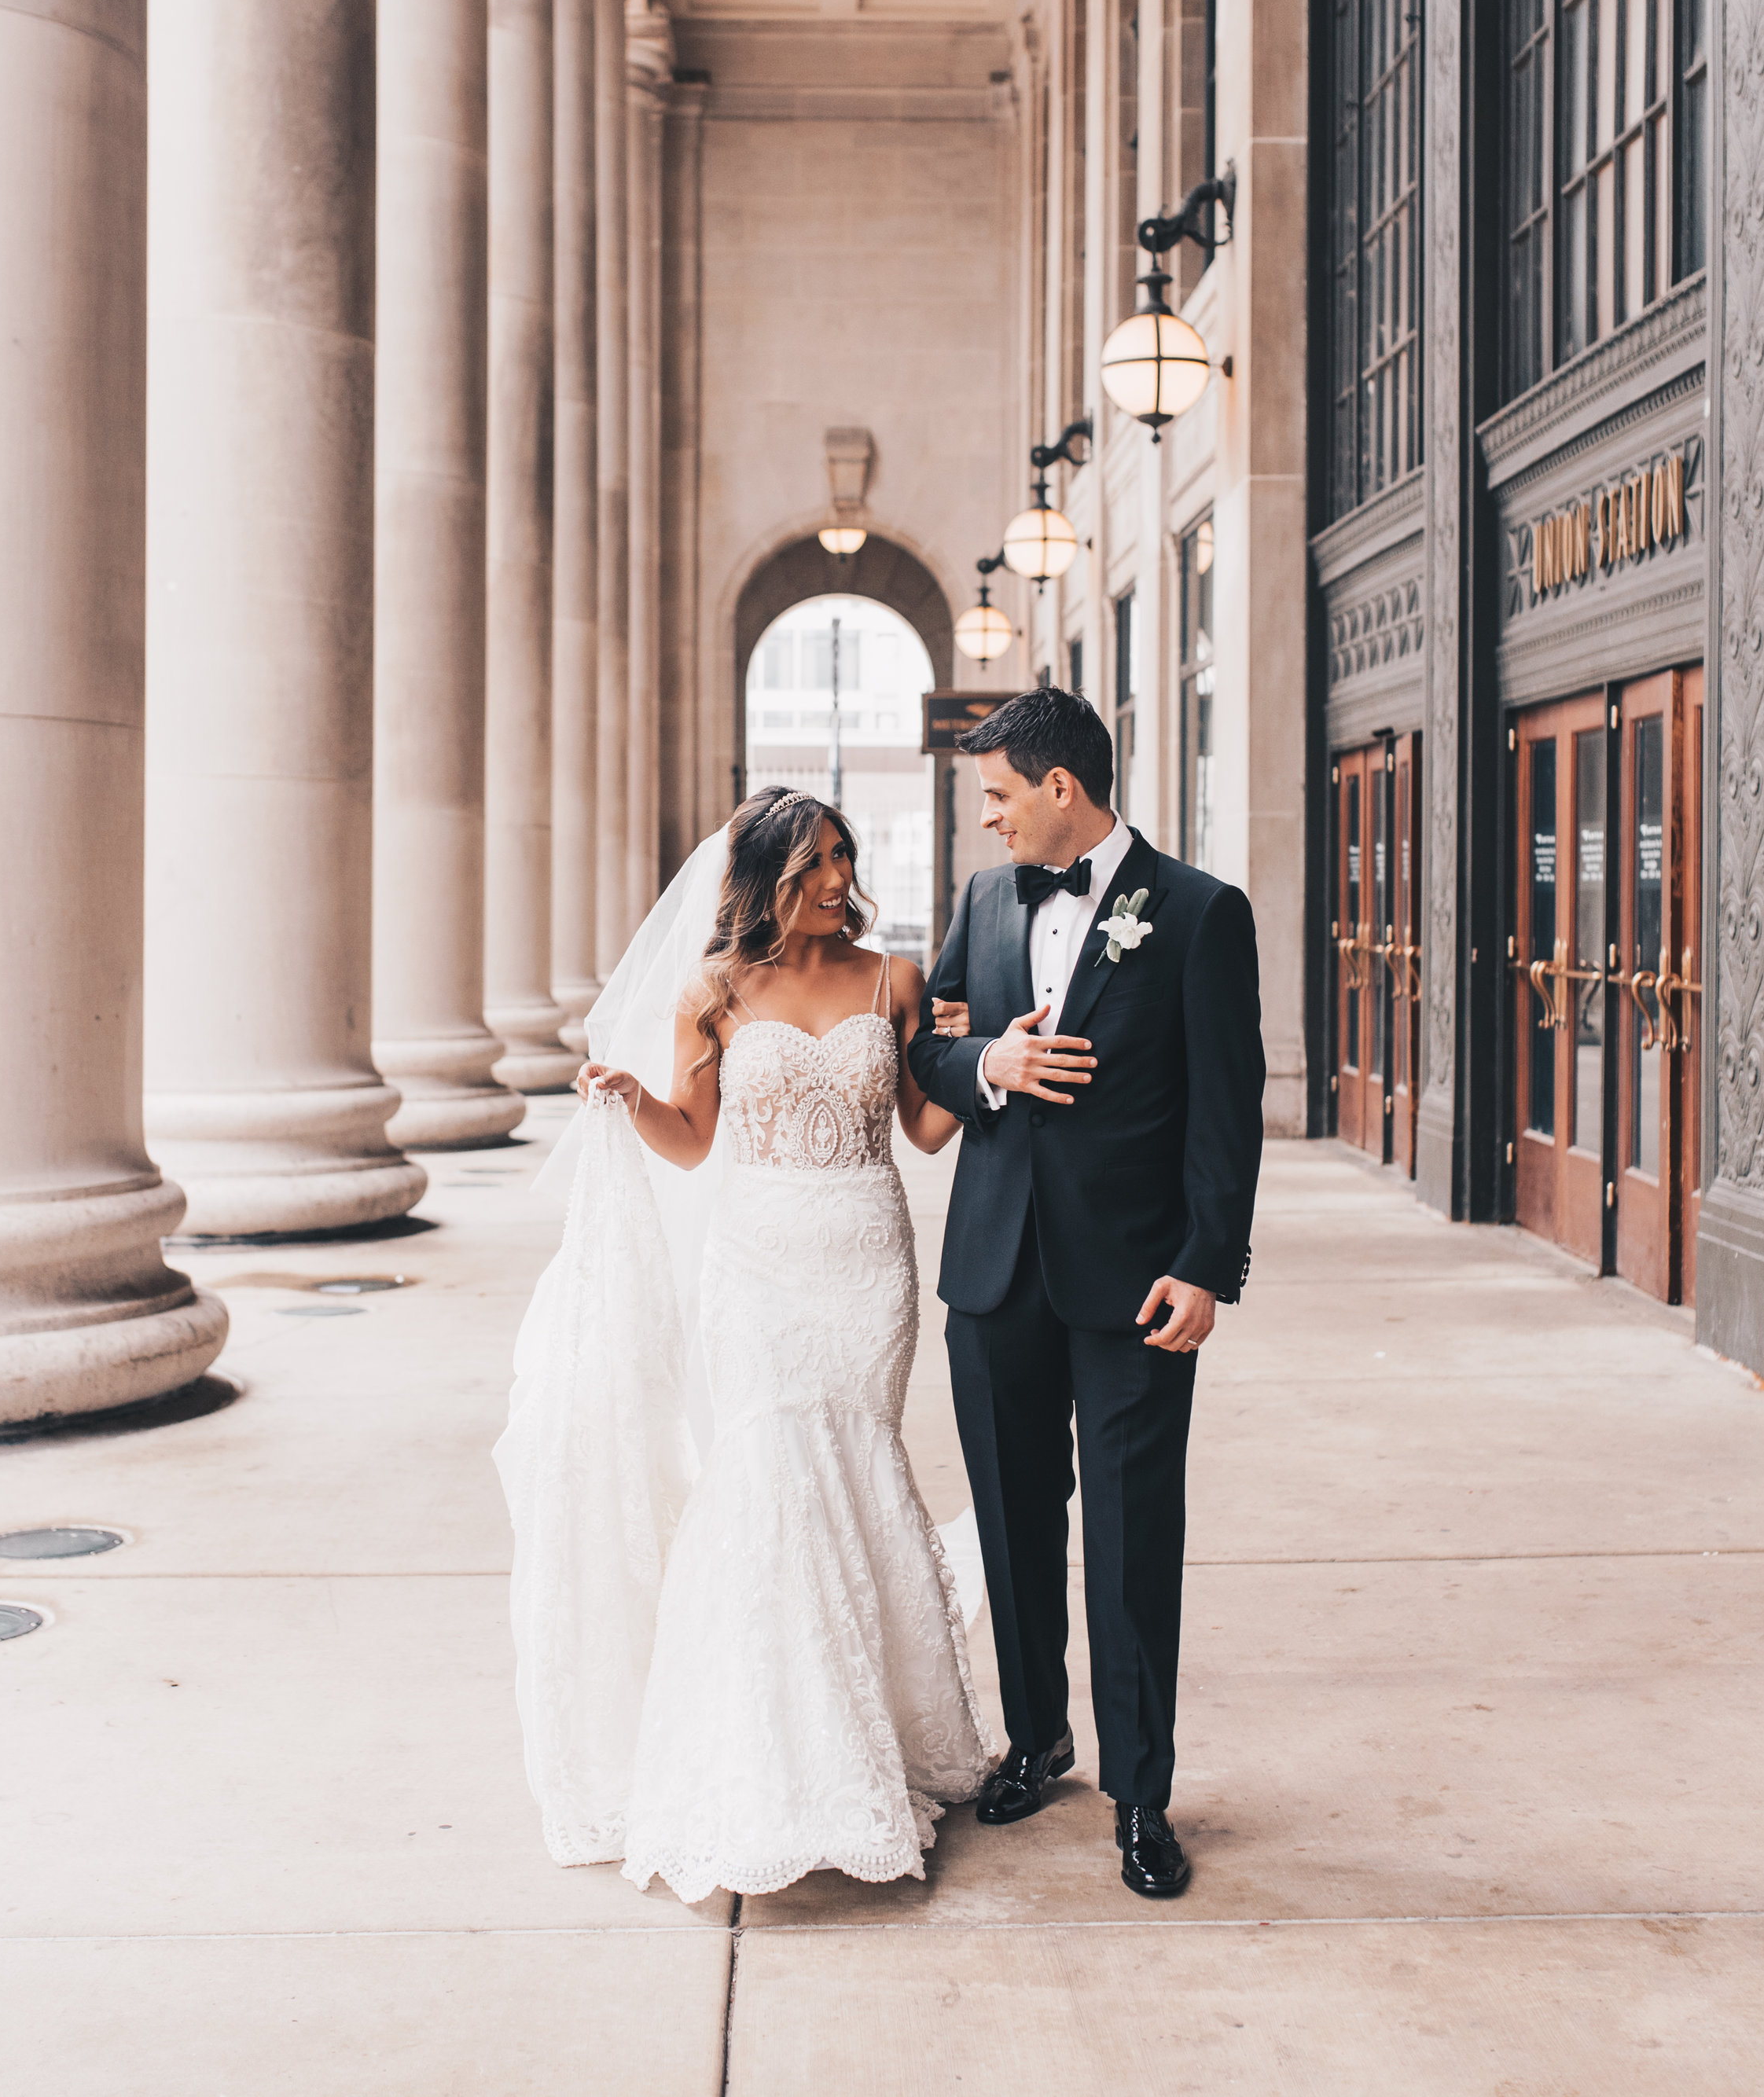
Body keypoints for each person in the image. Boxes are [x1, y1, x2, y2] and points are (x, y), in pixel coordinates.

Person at [505, 784, 990, 1903]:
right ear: (766, 879)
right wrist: (632, 1098)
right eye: (813, 864)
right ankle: (775, 1757)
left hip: (866, 1262)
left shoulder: (894, 979)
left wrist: (970, 1064)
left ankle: (884, 1736)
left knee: (859, 1470)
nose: (834, 880)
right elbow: (692, 1141)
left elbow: (921, 1130)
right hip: (758, 1265)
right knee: (768, 1480)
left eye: (843, 857)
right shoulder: (714, 992)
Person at [906, 685, 1264, 1899]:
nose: (991, 820)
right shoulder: (981, 900)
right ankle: (1037, 1736)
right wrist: (984, 1064)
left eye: (1001, 796)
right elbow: (928, 1048)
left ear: (1064, 789)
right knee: (1011, 1524)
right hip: (996, 1272)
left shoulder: (1205, 915)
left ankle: (1142, 1796)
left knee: (1129, 1541)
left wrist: (1210, 1263)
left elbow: (1227, 1109)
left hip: (1137, 1287)